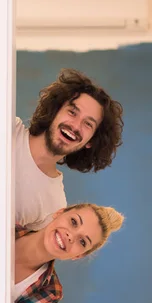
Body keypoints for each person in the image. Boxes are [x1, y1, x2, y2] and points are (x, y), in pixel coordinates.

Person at [15, 69, 124, 230]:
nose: (75, 126)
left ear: (91, 141)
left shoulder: (54, 206)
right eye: (72, 112)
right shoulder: (6, 128)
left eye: (88, 124)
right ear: (55, 110)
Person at [13, 202, 124, 303]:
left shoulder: (50, 293)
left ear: (78, 255)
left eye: (82, 242)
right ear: (59, 213)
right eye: (74, 222)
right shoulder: (1, 222)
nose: (71, 236)